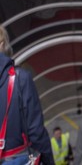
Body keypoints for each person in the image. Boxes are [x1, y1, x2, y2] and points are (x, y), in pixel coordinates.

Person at [0, 26, 55, 164]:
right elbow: (35, 131)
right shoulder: (19, 78)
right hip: (18, 158)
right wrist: (48, 161)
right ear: (2, 44)